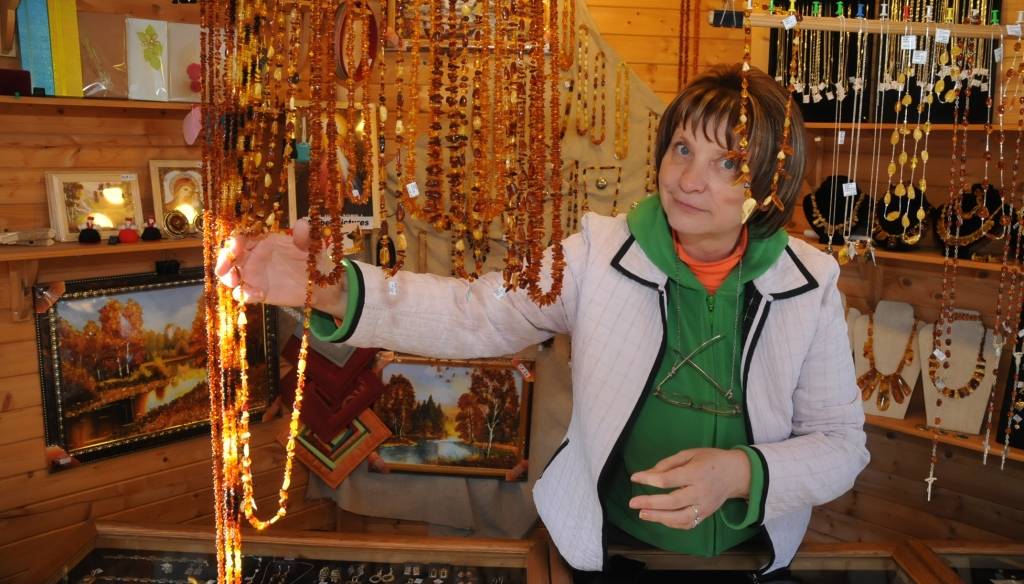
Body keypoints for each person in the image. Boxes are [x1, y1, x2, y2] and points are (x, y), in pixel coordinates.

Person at [216, 64, 868, 582]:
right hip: (615, 555)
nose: (688, 180)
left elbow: (841, 444)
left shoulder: (809, 283)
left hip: (752, 560)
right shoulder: (597, 253)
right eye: (682, 148)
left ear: (771, 179)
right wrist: (337, 291)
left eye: (727, 162)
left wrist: (743, 473)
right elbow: (476, 314)